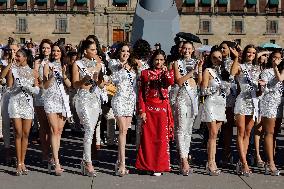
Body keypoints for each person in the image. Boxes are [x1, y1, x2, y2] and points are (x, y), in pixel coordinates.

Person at [136, 49, 174, 176]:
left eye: (161, 60)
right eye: (156, 59)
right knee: (147, 139)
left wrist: (166, 72)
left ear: (165, 61)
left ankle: (159, 166)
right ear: (152, 60)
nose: (159, 62)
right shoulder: (144, 73)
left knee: (161, 139)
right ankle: (147, 165)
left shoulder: (167, 73)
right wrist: (142, 110)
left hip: (163, 108)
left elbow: (170, 82)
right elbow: (141, 94)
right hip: (149, 108)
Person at [72, 39, 102, 177]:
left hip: (94, 98)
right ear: (85, 51)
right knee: (89, 128)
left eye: (96, 50)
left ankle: (84, 160)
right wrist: (84, 79)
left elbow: (100, 84)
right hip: (82, 98)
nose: (95, 52)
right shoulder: (77, 64)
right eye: (92, 49)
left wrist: (102, 79)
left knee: (91, 130)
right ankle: (88, 163)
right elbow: (75, 84)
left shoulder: (97, 64)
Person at [7, 48, 39, 175]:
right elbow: (9, 90)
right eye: (16, 56)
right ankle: (18, 163)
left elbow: (37, 90)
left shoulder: (33, 72)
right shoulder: (12, 71)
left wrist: (28, 88)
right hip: (15, 103)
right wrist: (17, 89)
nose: (16, 58)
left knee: (26, 134)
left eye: (19, 56)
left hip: (28, 104)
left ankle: (22, 162)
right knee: (18, 133)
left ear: (25, 57)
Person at [231, 44, 261, 177]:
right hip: (242, 102)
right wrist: (237, 57)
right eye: (249, 52)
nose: (251, 55)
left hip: (253, 102)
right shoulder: (240, 66)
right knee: (241, 132)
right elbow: (232, 73)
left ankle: (241, 160)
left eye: (253, 53)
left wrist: (261, 88)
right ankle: (244, 163)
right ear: (245, 53)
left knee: (248, 133)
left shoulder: (258, 68)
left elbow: (259, 90)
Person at [108, 42, 137, 176]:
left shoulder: (133, 66)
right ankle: (122, 163)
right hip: (119, 99)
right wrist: (121, 66)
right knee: (122, 130)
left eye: (127, 51)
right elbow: (114, 69)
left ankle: (120, 160)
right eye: (123, 51)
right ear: (119, 52)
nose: (125, 53)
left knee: (126, 131)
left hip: (130, 100)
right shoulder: (114, 63)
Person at [43, 43, 72, 176]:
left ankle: (54, 159)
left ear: (62, 52)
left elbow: (70, 86)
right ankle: (57, 162)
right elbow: (45, 85)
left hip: (63, 100)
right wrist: (52, 76)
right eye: (53, 51)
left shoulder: (67, 65)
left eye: (57, 51)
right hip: (50, 100)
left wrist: (64, 75)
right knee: (54, 130)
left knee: (59, 131)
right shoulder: (47, 65)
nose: (55, 53)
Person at [201, 46, 230, 176]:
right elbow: (203, 90)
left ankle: (212, 161)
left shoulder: (224, 72)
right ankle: (211, 162)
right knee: (212, 133)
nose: (217, 59)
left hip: (221, 104)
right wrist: (216, 88)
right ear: (210, 58)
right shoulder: (208, 71)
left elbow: (228, 91)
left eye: (219, 57)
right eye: (214, 57)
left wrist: (227, 88)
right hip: (211, 103)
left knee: (215, 135)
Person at [173, 41, 200, 175]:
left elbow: (200, 81)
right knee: (181, 128)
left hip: (193, 96)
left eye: (189, 48)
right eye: (184, 48)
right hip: (182, 96)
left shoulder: (196, 62)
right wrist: (192, 72)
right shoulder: (176, 63)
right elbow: (179, 81)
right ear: (181, 50)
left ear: (193, 50)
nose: (187, 51)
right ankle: (184, 160)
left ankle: (185, 154)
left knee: (189, 130)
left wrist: (199, 70)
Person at [259, 50, 283, 176]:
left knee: (275, 133)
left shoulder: (281, 70)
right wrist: (273, 67)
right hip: (268, 103)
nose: (276, 59)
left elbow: (280, 78)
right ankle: (270, 162)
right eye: (274, 57)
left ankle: (270, 157)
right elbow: (263, 87)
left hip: (279, 104)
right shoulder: (265, 71)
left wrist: (277, 68)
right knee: (269, 132)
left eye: (279, 58)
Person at [34, 39, 53, 162]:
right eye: (43, 48)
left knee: (52, 126)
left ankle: (52, 152)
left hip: (53, 95)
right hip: (41, 94)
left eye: (48, 48)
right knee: (43, 125)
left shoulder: (55, 61)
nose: (45, 50)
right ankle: (45, 153)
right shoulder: (38, 62)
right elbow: (35, 76)